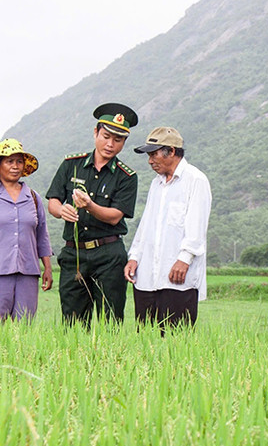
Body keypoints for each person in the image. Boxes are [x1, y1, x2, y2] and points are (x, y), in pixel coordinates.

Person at [46, 103, 139, 326]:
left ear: (124, 142)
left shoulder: (127, 176)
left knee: (111, 321)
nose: (110, 144)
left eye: (118, 140)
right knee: (73, 323)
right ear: (96, 133)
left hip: (109, 254)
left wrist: (89, 205)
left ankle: (110, 360)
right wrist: (62, 210)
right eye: (106, 136)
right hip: (74, 253)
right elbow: (53, 201)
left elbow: (116, 215)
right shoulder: (71, 165)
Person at [124, 127, 212, 334]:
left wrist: (185, 258)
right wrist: (134, 256)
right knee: (145, 337)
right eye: (149, 155)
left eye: (154, 154)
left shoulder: (195, 180)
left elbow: (197, 226)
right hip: (147, 276)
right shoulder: (157, 184)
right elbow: (146, 224)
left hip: (178, 276)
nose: (150, 160)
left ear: (171, 151)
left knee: (175, 338)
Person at [0, 138, 53, 323]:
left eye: (19, 161)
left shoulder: (33, 197)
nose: (15, 166)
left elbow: (42, 235)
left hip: (28, 272)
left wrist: (48, 268)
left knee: (25, 327)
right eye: (9, 161)